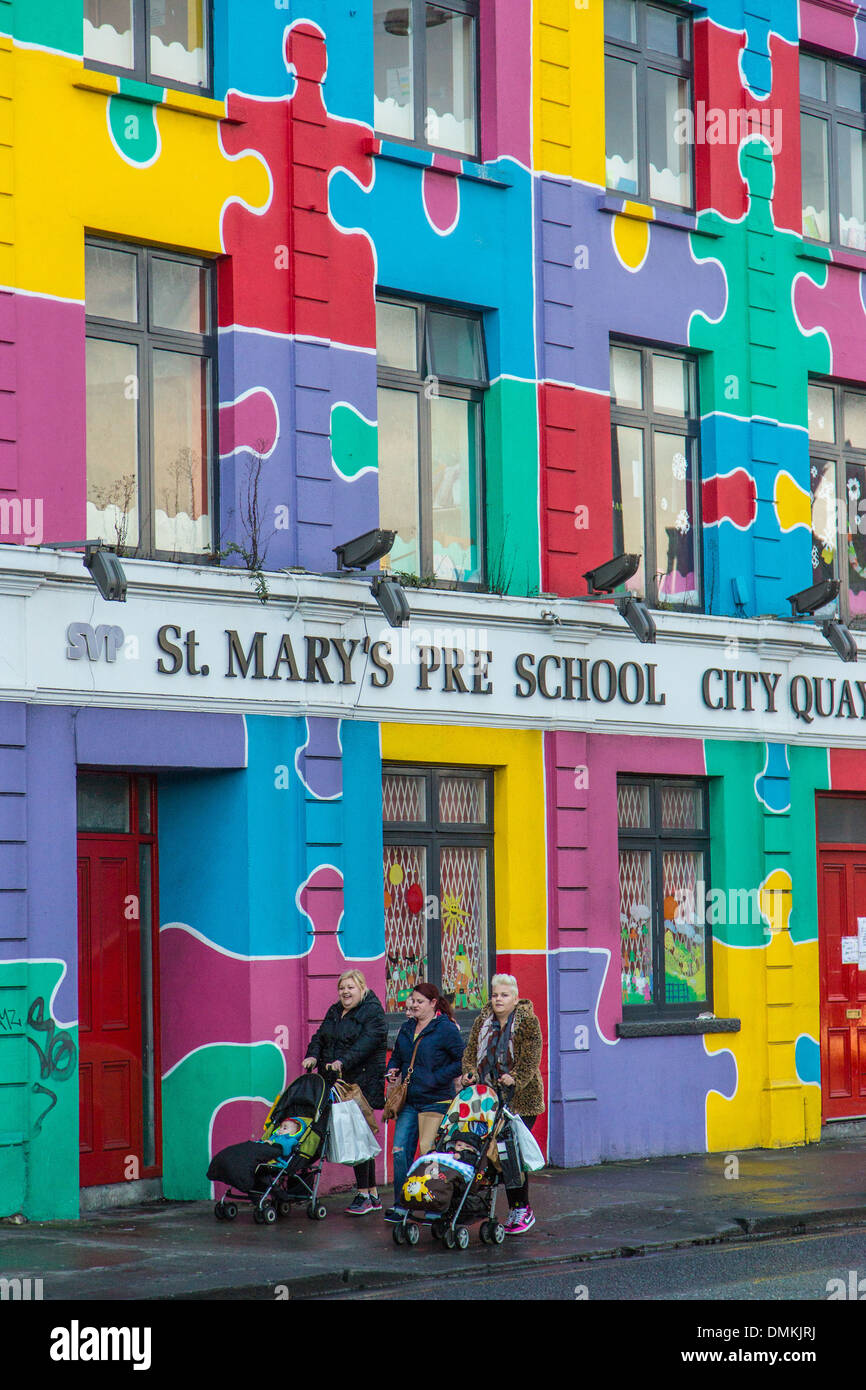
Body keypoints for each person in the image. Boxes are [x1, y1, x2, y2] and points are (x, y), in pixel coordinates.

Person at [460, 973, 544, 1235]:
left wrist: (515, 1077)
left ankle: (521, 1207)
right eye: (495, 994)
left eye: (504, 995)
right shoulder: (482, 1021)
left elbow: (531, 1059)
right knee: (484, 1150)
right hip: (486, 1099)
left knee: (510, 1153)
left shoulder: (527, 1022)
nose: (498, 999)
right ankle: (477, 1206)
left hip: (520, 1100)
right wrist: (469, 1072)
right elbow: (470, 1052)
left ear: (515, 998)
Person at [302, 970, 386, 1215]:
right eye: (342, 988)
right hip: (336, 1081)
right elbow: (321, 1036)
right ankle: (371, 1193)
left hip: (360, 1083)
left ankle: (363, 1194)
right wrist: (312, 1054)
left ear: (362, 988)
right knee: (358, 1136)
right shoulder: (335, 1011)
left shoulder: (372, 1012)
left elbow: (367, 1044)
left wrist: (342, 1061)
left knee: (358, 1137)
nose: (346, 992)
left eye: (350, 987)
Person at [384, 982, 464, 1220]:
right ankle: (402, 1204)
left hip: (436, 1100)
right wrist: (392, 1069)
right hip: (409, 1100)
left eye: (420, 1002)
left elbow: (461, 1060)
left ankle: (434, 1204)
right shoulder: (407, 1028)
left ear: (433, 1004)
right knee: (400, 1151)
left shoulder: (446, 1029)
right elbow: (397, 1055)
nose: (414, 1005)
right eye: (412, 1001)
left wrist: (436, 1077)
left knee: (429, 1152)